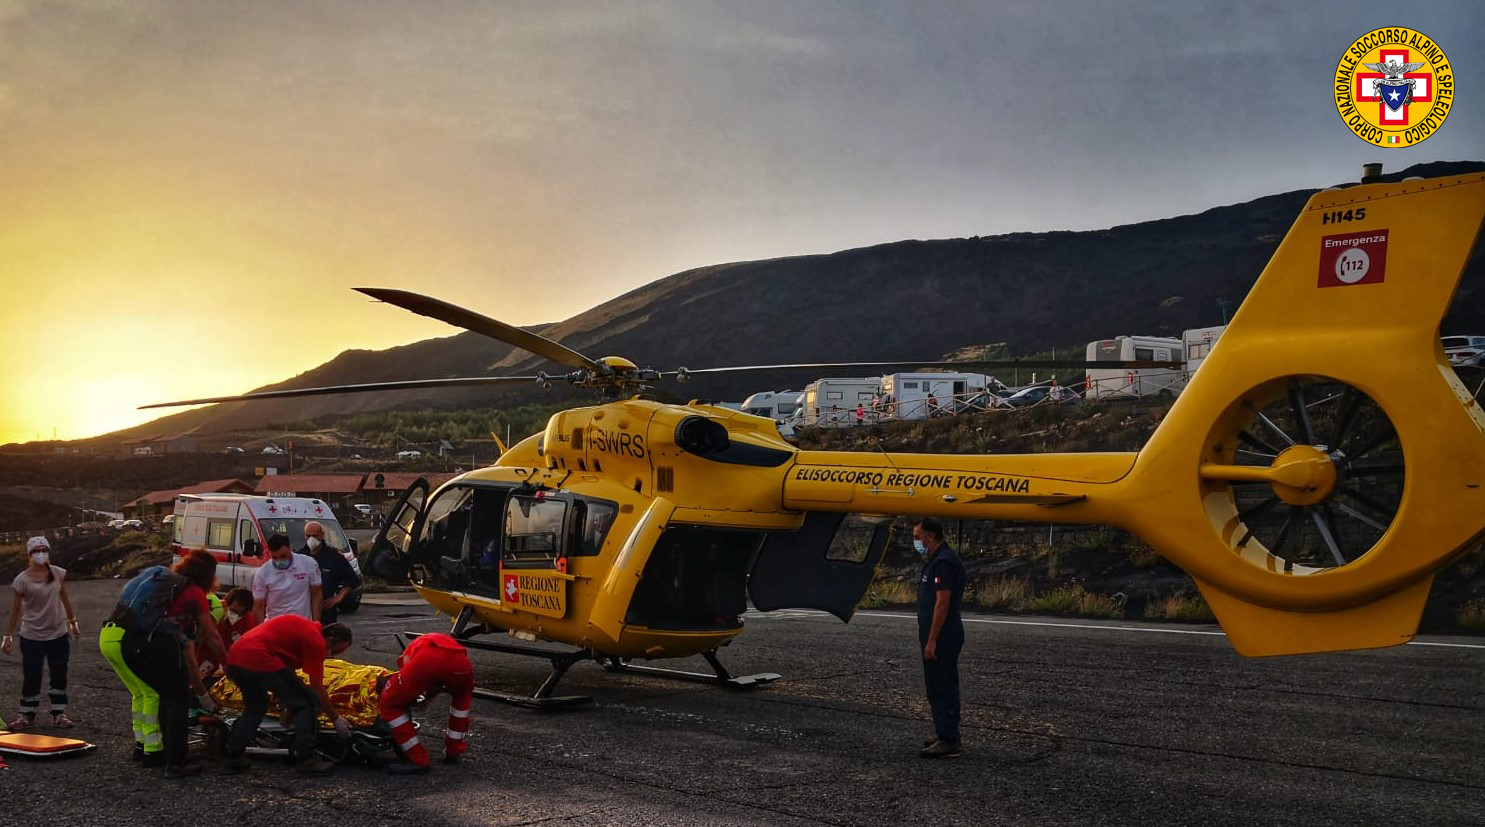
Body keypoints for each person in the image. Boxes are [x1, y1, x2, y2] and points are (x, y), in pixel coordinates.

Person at [121, 549, 228, 777]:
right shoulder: (194, 592)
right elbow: (211, 634)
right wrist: (229, 665)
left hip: (135, 641)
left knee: (165, 698)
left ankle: (167, 752)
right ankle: (176, 762)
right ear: (207, 574)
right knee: (178, 701)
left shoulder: (170, 586)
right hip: (162, 645)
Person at [224, 615, 353, 776]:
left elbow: (288, 675)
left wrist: (288, 706)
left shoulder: (303, 628)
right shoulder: (316, 640)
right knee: (307, 702)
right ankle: (305, 759)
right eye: (333, 651)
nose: (331, 657)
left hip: (236, 659)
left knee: (256, 706)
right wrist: (335, 719)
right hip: (259, 657)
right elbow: (317, 687)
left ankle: (234, 755)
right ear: (330, 640)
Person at [2, 537, 80, 730]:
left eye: (44, 550)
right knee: (32, 674)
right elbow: (15, 610)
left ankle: (58, 712)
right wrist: (7, 637)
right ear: (29, 555)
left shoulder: (58, 573)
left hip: (58, 634)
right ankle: (27, 714)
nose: (40, 554)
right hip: (32, 636)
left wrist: (73, 623)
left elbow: (65, 599)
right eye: (36, 551)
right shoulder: (22, 580)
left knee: (59, 672)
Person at [379, 633, 476, 775]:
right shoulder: (439, 640)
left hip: (428, 660)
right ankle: (453, 752)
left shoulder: (409, 652)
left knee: (390, 704)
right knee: (462, 699)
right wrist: (428, 698)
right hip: (461, 663)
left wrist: (410, 697)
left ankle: (418, 759)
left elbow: (413, 675)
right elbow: (439, 678)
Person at [913, 518, 966, 758]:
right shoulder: (936, 561)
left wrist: (932, 639)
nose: (917, 542)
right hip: (936, 633)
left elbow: (942, 604)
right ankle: (944, 731)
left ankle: (949, 739)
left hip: (943, 635)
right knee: (935, 685)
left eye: (918, 536)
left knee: (942, 685)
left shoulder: (944, 562)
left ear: (930, 536)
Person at [297, 521, 360, 626]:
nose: (311, 539)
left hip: (326, 611)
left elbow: (352, 580)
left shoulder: (334, 557)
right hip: (303, 609)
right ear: (304, 535)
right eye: (308, 536)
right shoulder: (299, 557)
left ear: (322, 535)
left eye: (315, 536)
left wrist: (339, 597)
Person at [251, 533, 322, 623]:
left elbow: (316, 596)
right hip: (275, 626)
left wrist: (316, 624)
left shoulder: (308, 563)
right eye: (275, 558)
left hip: (303, 624)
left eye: (283, 556)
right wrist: (261, 632)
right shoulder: (263, 573)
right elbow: (258, 606)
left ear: (290, 548)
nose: (279, 561)